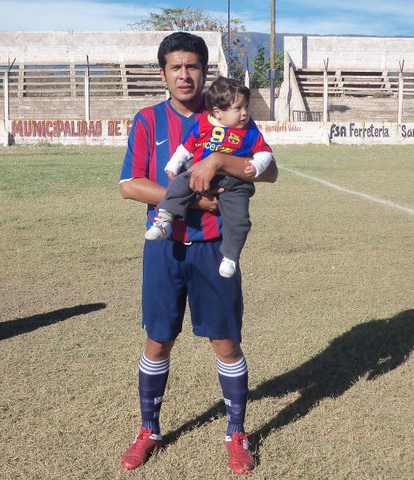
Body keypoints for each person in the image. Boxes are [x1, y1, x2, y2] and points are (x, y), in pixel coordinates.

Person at [118, 32, 278, 475]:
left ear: (205, 72)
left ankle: (236, 433)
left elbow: (269, 172)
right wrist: (195, 200)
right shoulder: (148, 120)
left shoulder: (233, 116)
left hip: (214, 248)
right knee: (158, 339)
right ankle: (149, 430)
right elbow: (130, 185)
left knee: (225, 342)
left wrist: (219, 161)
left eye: (192, 66)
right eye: (176, 67)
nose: (184, 74)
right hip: (165, 247)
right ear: (163, 73)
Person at [144, 76, 274, 278]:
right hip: (198, 174)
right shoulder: (203, 124)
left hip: (235, 183)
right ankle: (164, 220)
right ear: (217, 113)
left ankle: (230, 257)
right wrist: (173, 164)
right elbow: (186, 148)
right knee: (178, 184)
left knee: (239, 219)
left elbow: (265, 152)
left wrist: (257, 165)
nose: (245, 113)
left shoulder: (249, 128)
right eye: (238, 108)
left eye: (246, 107)